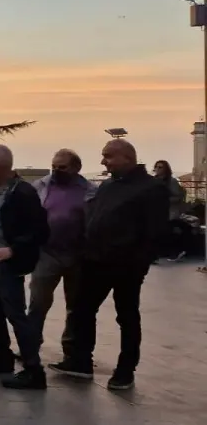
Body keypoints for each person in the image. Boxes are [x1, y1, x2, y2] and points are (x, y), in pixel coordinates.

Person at [53, 139, 166, 391]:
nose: (103, 161)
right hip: (94, 261)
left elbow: (154, 232)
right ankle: (81, 361)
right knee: (82, 311)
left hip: (126, 266)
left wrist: (139, 264)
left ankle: (126, 369)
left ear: (127, 157)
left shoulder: (150, 189)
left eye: (108, 156)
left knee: (126, 316)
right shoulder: (108, 185)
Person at [0, 145, 50, 390]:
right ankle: (2, 356)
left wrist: (12, 250)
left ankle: (33, 368)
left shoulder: (23, 192)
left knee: (15, 312)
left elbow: (39, 230)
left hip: (6, 261)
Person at [27, 149, 94, 364]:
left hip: (77, 255)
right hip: (47, 253)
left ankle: (72, 350)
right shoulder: (41, 186)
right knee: (38, 302)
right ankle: (30, 345)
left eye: (62, 167)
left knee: (75, 305)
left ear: (76, 168)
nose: (56, 171)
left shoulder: (89, 190)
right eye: (54, 166)